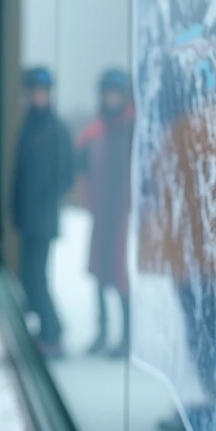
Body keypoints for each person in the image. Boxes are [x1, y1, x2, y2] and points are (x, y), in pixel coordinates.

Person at [12, 67, 74, 358]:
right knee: (28, 277)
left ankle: (53, 332)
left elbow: (68, 174)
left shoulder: (56, 128)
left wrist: (47, 197)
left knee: (37, 277)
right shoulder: (28, 125)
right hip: (27, 218)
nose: (40, 96)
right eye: (35, 90)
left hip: (44, 218)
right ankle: (48, 329)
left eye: (44, 91)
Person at [76, 68, 134, 359]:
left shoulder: (134, 129)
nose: (111, 98)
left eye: (116, 93)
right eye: (107, 93)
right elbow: (80, 168)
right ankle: (102, 332)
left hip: (125, 216)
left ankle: (127, 338)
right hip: (102, 214)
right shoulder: (93, 132)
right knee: (100, 274)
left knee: (121, 276)